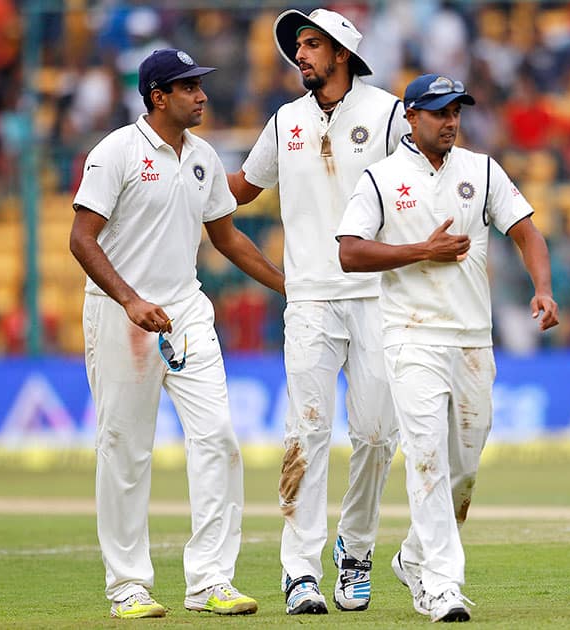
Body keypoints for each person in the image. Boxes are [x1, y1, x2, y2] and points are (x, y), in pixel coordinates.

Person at [69, 48, 284, 619]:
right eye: (190, 87)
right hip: (121, 313)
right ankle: (128, 586)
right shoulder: (116, 151)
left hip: (185, 310)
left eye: (201, 85)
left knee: (217, 436)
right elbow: (81, 240)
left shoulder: (204, 157)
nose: (203, 95)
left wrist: (291, 287)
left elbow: (229, 239)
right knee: (125, 450)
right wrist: (130, 299)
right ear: (158, 96)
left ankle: (210, 580)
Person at [337, 73, 559, 622]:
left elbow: (527, 231)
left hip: (471, 340)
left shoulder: (481, 170)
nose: (451, 121)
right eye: (439, 112)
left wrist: (544, 290)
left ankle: (412, 557)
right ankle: (441, 584)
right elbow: (349, 253)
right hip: (411, 336)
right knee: (428, 459)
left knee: (464, 465)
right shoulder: (381, 178)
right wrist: (420, 250)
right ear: (410, 117)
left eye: (456, 110)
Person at [226, 8, 406, 615]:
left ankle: (353, 553)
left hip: (378, 297)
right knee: (304, 433)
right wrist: (177, 180)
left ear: (343, 53)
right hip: (309, 301)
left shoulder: (386, 113)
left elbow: (414, 187)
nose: (300, 54)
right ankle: (299, 572)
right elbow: (240, 190)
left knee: (379, 435)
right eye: (298, 45)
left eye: (312, 44)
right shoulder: (285, 121)